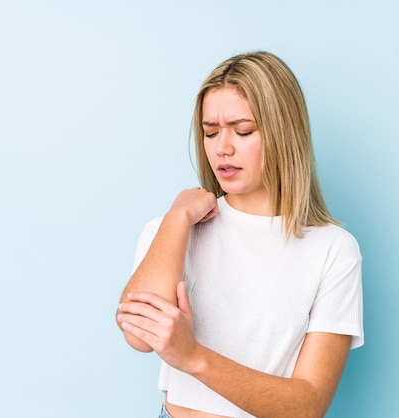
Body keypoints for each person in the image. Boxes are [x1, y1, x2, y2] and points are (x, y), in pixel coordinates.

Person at [116, 51, 363, 418]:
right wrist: (179, 217)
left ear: (283, 133)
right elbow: (138, 334)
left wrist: (194, 357)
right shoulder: (172, 230)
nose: (222, 148)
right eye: (210, 132)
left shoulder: (332, 250)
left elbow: (308, 405)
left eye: (243, 131)